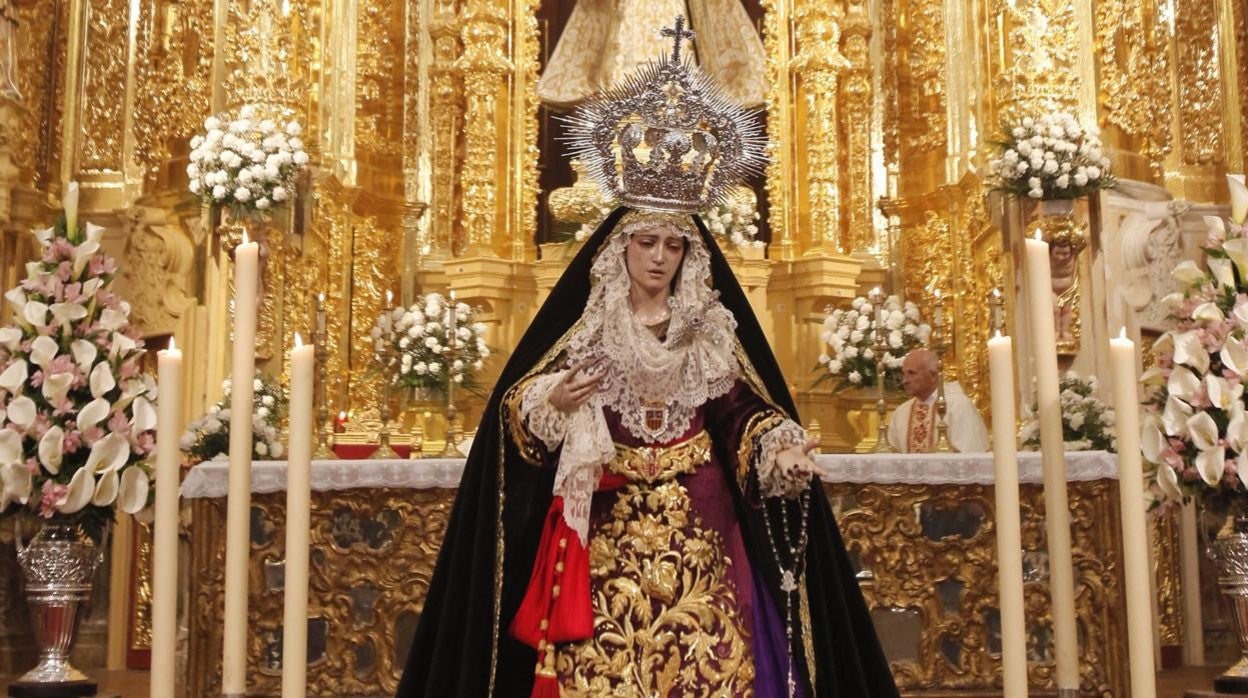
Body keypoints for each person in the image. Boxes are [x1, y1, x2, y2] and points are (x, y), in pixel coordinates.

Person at [397, 17, 898, 698]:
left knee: (715, 663)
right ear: (620, 249)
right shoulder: (592, 325)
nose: (660, 258)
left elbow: (736, 406)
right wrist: (554, 401)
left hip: (703, 518)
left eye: (673, 245)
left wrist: (775, 442)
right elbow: (522, 406)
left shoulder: (706, 326)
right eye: (647, 244)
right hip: (608, 522)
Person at [887, 349, 989, 453]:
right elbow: (892, 459)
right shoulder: (901, 412)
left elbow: (968, 456)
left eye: (911, 373)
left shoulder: (959, 407)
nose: (905, 381)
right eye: (903, 374)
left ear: (933, 375)